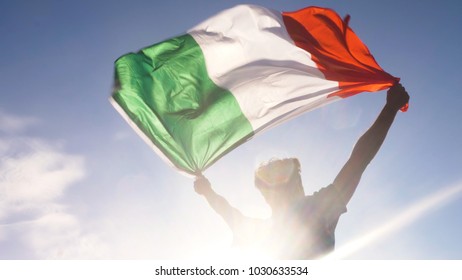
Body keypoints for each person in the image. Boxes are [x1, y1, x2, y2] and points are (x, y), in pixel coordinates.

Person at [194, 83, 410, 259]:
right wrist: (207, 192)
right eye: (278, 180)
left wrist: (390, 109)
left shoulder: (319, 208)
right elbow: (227, 212)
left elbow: (358, 161)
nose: (287, 185)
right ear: (266, 193)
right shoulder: (265, 231)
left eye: (291, 178)